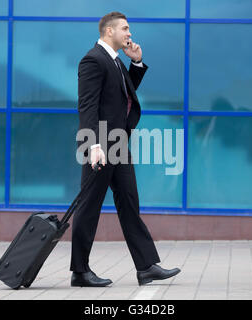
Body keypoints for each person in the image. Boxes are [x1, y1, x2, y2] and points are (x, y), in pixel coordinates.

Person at [71, 11, 181, 287]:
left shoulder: (115, 61)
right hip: (100, 144)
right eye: (125, 28)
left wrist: (137, 63)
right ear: (109, 31)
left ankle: (146, 267)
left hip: (118, 143)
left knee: (129, 202)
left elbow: (124, 94)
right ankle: (80, 271)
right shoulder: (92, 60)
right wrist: (93, 145)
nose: (129, 33)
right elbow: (87, 105)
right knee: (89, 206)